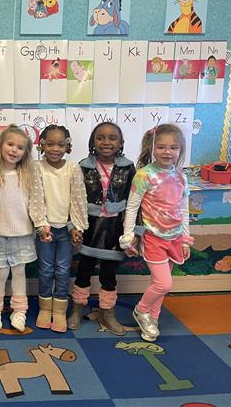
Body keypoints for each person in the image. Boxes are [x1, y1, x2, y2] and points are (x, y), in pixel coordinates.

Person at [119, 124, 193, 342]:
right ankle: (142, 310)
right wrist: (128, 234)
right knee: (164, 283)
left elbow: (184, 209)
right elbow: (132, 207)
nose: (167, 152)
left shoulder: (180, 177)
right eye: (161, 147)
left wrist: (186, 240)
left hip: (175, 237)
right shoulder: (144, 175)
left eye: (173, 147)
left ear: (181, 150)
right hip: (154, 238)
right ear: (152, 148)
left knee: (160, 283)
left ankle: (153, 317)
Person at [68, 122, 136, 335]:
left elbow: (134, 201)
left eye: (112, 138)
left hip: (115, 229)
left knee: (109, 274)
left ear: (121, 143)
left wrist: (133, 231)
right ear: (92, 142)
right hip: (89, 226)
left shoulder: (127, 167)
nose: (106, 142)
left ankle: (108, 312)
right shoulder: (83, 166)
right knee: (84, 270)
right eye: (100, 137)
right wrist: (74, 225)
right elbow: (74, 200)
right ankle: (77, 308)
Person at [0, 125, 48, 333]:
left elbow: (36, 203)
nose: (14, 150)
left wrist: (41, 225)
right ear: (1, 145)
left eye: (20, 147)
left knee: (19, 273)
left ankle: (20, 311)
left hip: (22, 234)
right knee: (0, 274)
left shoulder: (29, 174)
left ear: (25, 152)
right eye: (10, 144)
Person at [35, 124, 88, 333]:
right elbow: (36, 199)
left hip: (66, 230)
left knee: (63, 270)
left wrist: (76, 226)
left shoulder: (72, 168)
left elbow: (78, 199)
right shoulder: (36, 167)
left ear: (68, 146)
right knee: (46, 269)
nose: (55, 149)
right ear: (42, 145)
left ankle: (59, 311)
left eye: (60, 144)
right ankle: (45, 308)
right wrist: (40, 225)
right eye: (50, 144)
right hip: (45, 229)